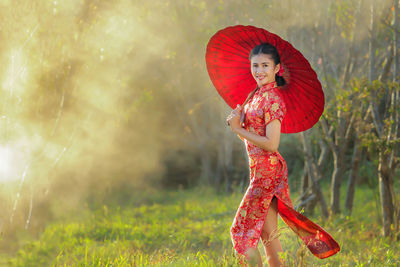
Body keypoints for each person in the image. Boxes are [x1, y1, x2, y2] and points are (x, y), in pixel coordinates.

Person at [226, 43, 290, 267]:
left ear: (277, 68)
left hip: (267, 172)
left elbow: (272, 144)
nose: (259, 71)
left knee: (241, 230)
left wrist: (238, 129)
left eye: (265, 65)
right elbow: (251, 141)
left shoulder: (273, 99)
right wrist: (238, 126)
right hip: (260, 171)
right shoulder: (255, 96)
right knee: (268, 237)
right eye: (255, 65)